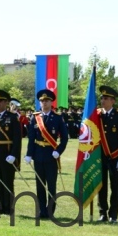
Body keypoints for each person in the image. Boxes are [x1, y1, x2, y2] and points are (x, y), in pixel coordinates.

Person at [24, 89, 68, 219]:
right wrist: (28, 154)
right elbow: (31, 138)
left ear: (51, 102)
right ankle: (42, 211)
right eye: (42, 101)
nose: (44, 103)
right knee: (40, 185)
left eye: (47, 100)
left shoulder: (58, 118)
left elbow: (65, 138)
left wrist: (58, 151)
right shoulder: (35, 117)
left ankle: (50, 211)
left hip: (51, 154)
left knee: (51, 185)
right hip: (38, 154)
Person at [97, 86, 118, 223]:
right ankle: (102, 213)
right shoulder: (97, 115)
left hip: (115, 157)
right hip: (100, 156)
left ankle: (113, 215)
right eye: (102, 98)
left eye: (106, 99)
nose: (103, 101)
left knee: (115, 187)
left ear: (112, 101)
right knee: (101, 186)